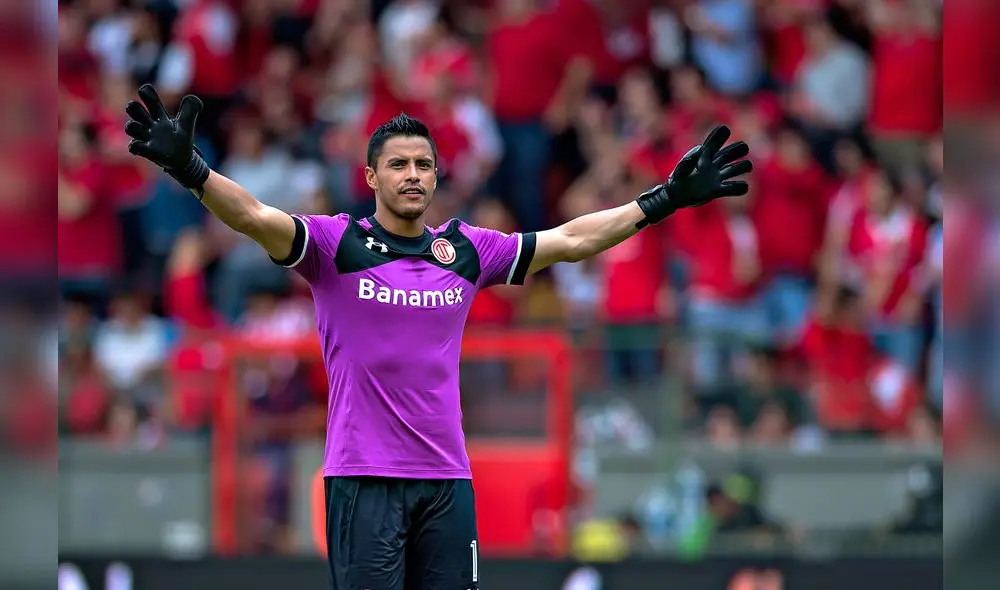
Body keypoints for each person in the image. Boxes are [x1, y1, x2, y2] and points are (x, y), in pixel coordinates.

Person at [122, 84, 752, 590]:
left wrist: (663, 199)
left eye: (424, 164)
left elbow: (569, 240)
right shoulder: (335, 244)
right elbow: (254, 216)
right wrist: (191, 168)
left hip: (446, 480)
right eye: (398, 164)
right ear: (371, 177)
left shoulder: (466, 251)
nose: (413, 174)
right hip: (362, 477)